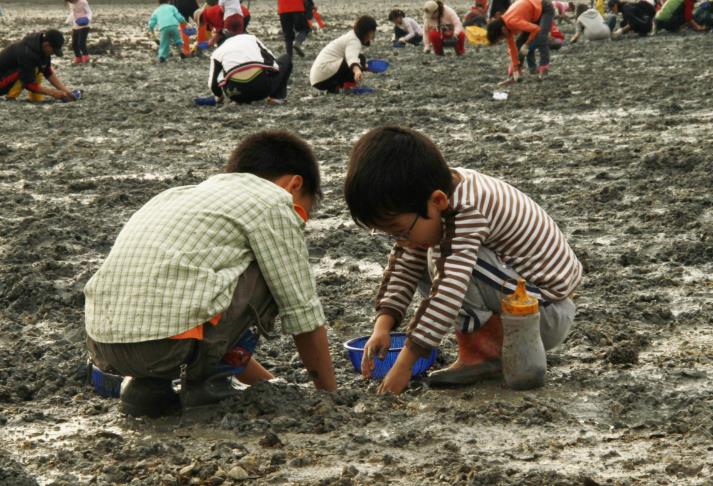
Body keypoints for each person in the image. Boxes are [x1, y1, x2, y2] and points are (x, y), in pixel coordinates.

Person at [85, 131, 337, 417]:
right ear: (294, 185)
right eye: (301, 213)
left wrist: (270, 385)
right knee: (277, 269)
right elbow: (302, 312)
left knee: (185, 284)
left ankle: (147, 389)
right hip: (169, 347)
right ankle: (209, 385)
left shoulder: (174, 196)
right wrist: (328, 395)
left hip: (105, 346)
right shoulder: (274, 200)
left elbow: (201, 318)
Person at [343, 126, 582, 394]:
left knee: (443, 258)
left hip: (543, 314)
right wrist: (382, 326)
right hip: (527, 302)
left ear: (438, 200)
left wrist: (405, 363)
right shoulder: (434, 195)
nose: (401, 241)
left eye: (400, 231)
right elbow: (404, 264)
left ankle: (482, 355)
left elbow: (449, 289)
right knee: (425, 250)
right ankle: (487, 347)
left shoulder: (467, 210)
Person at [208, 33, 291, 105]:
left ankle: (240, 101)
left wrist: (220, 97)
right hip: (261, 89)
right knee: (286, 58)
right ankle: (276, 98)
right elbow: (272, 63)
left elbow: (213, 85)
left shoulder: (217, 52)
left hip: (235, 94)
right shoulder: (251, 38)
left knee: (227, 74)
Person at [0, 29, 77, 102]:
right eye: (53, 50)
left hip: (10, 77)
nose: (53, 53)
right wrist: (52, 93)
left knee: (38, 69)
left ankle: (35, 99)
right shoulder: (26, 53)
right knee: (28, 71)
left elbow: (48, 72)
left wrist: (66, 91)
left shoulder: (41, 48)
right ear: (47, 45)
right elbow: (29, 83)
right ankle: (11, 97)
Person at [487, 0, 555, 81]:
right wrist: (515, 67)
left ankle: (544, 68)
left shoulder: (512, 22)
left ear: (502, 30)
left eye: (500, 38)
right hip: (532, 15)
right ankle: (517, 72)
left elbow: (536, 29)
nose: (503, 39)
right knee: (519, 43)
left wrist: (527, 44)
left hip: (544, 8)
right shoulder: (505, 25)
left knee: (542, 37)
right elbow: (512, 48)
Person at [309, 15, 376, 93]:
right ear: (367, 31)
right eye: (372, 32)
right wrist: (357, 71)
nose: (372, 36)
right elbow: (352, 59)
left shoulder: (351, 35)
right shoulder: (354, 41)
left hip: (318, 79)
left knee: (359, 62)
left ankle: (335, 88)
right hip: (322, 77)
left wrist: (366, 68)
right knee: (360, 59)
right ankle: (349, 87)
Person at [65, 0, 92, 64]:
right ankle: (78, 58)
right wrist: (67, 21)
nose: (70, 2)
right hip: (75, 26)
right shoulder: (70, 3)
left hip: (84, 26)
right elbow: (72, 13)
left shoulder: (83, 2)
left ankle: (86, 57)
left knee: (81, 43)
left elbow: (89, 12)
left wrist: (87, 19)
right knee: (74, 44)